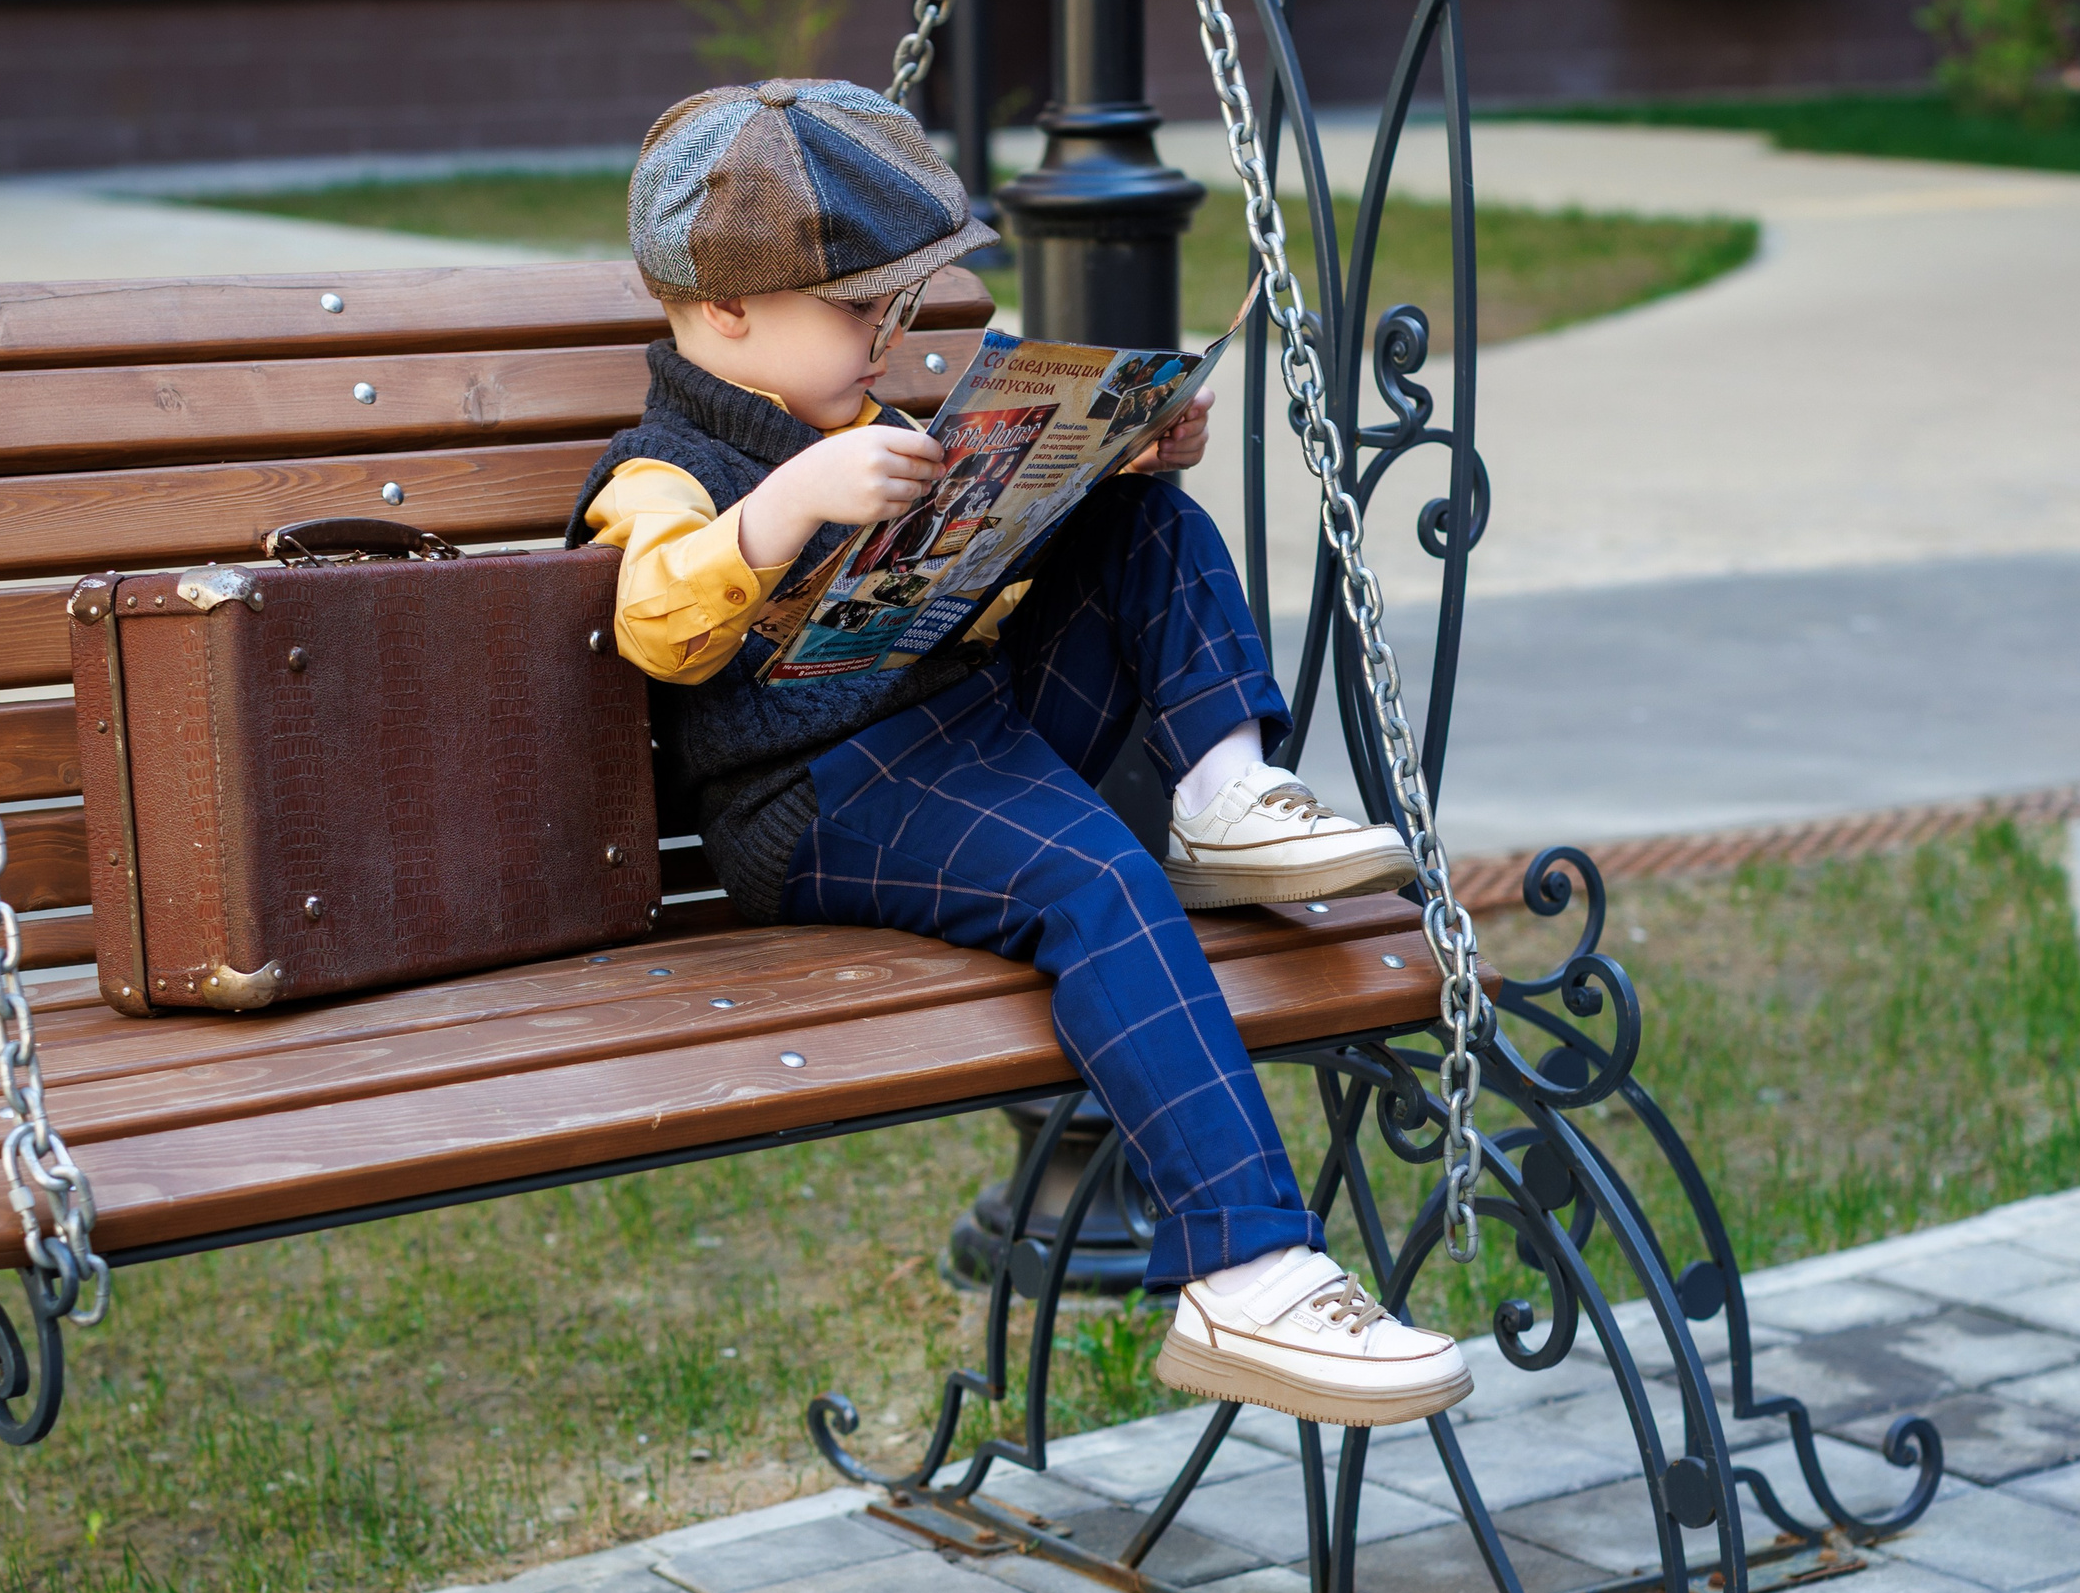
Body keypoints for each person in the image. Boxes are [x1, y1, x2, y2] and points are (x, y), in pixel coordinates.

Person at [567, 78, 1470, 1428]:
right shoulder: (663, 474)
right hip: (815, 801)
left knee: (1145, 525)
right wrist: (786, 507)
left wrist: (1102, 466)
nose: (891, 337)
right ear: (732, 307)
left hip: (955, 735)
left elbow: (967, 593)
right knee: (1096, 884)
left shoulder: (866, 436)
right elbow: (654, 625)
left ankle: (1226, 789)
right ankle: (1245, 1273)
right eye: (862, 311)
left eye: (899, 309)